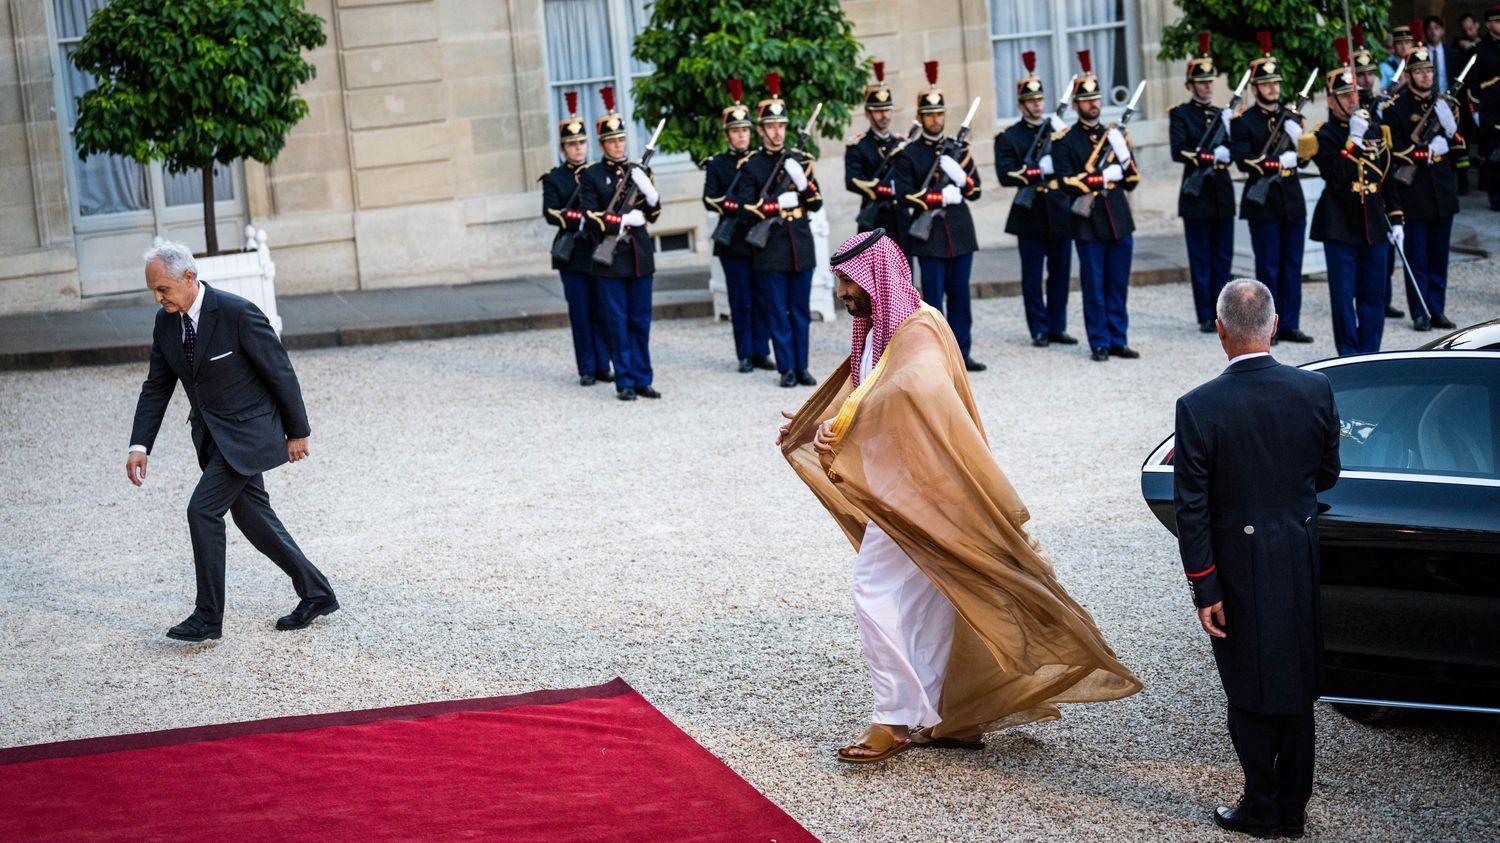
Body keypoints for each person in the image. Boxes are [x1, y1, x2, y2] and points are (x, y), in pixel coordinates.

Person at [777, 229, 1141, 764]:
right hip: (899, 488)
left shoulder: (918, 329)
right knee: (933, 600)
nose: (842, 294)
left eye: (847, 282)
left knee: (873, 591)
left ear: (875, 277)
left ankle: (892, 719)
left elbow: (916, 390)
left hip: (923, 492)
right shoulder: (881, 328)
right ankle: (947, 717)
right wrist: (827, 417)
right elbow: (864, 388)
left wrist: (847, 420)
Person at [1172, 278, 1340, 840]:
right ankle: (1291, 809)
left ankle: (1261, 806)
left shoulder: (1198, 407)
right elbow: (1328, 474)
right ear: (1273, 324)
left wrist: (1205, 588)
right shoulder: (1314, 391)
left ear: (1220, 331)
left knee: (1247, 689)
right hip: (1296, 555)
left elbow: (1190, 510)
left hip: (1237, 568)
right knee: (1295, 686)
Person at [127, 242, 337, 642]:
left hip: (251, 434)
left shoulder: (237, 313)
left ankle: (208, 617)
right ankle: (317, 592)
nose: (158, 298)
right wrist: (139, 445)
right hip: (211, 438)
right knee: (253, 518)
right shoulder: (165, 323)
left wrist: (298, 431)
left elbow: (281, 373)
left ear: (189, 278)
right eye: (153, 291)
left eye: (163, 289)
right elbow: (157, 387)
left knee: (202, 511)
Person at [1303, 50, 1402, 356]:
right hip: (1340, 225)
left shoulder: (1374, 129)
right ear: (1330, 101)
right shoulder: (1324, 135)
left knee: (1374, 295)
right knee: (1344, 298)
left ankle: (1370, 353)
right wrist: (1352, 142)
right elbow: (1336, 173)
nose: (1351, 100)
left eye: (1354, 94)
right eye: (1343, 95)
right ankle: (1348, 355)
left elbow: (1388, 175)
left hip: (1373, 222)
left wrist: (1396, 218)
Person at [893, 60, 987, 371]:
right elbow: (904, 194)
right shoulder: (909, 154)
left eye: (940, 113)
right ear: (920, 118)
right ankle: (935, 357)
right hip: (929, 235)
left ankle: (961, 353)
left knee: (960, 296)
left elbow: (975, 191)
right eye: (930, 114)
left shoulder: (958, 151)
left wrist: (960, 178)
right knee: (932, 302)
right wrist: (936, 196)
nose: (936, 119)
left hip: (959, 232)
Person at [733, 72, 824, 389]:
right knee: (778, 311)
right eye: (771, 126)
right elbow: (744, 209)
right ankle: (785, 367)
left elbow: (815, 202)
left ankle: (802, 367)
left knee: (800, 311)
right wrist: (775, 204)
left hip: (799, 243)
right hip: (770, 247)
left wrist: (802, 183)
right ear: (760, 130)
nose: (776, 131)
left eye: (781, 126)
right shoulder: (753, 165)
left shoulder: (800, 160)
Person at [1054, 49, 1141, 361]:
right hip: (1088, 221)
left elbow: (1132, 178)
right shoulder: (1065, 140)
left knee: (1118, 284)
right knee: (1094, 286)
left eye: (1097, 99)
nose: (1093, 104)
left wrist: (1123, 165)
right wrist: (1103, 177)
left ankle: (1119, 338)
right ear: (1077, 105)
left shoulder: (1115, 136)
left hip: (1118, 217)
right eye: (1087, 100)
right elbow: (1065, 182)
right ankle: (1100, 342)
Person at [1231, 31, 1314, 345]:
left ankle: (1290, 323)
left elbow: (1304, 161)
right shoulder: (1244, 122)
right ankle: (1267, 328)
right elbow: (1242, 160)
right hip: (1263, 203)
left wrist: (1298, 144)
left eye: (1276, 83)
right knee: (1268, 267)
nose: (1273, 88)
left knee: (1293, 265)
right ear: (1254, 89)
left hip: (1291, 200)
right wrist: (1274, 162)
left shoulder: (1291, 118)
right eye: (1266, 84)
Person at [581, 86, 662, 402]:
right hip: (610, 260)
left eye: (621, 139)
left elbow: (653, 214)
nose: (618, 145)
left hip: (639, 257)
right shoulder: (591, 176)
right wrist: (623, 221)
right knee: (617, 322)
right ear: (602, 144)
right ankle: (625, 380)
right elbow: (590, 217)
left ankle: (643, 378)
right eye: (612, 140)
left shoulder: (640, 171)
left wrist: (651, 193)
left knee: (640, 321)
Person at [1382, 30, 1464, 332]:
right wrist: (1426, 151)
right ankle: (1419, 311)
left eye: (1429, 70)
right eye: (1419, 71)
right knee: (1417, 257)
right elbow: (1394, 151)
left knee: (1439, 257)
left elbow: (1460, 147)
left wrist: (1451, 130)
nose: (1426, 76)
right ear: (1410, 75)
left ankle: (1437, 309)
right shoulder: (1396, 108)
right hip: (1413, 191)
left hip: (1441, 190)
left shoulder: (1444, 104)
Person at [994, 49, 1076, 347]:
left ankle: (1057, 325)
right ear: (1020, 104)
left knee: (1060, 273)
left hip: (1058, 210)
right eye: (1031, 100)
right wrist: (1033, 172)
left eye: (1040, 99)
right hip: (1029, 214)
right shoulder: (1010, 136)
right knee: (1032, 277)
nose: (1037, 105)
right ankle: (1038, 328)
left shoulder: (1057, 132)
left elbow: (1071, 161)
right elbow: (1005, 174)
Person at [542, 92, 613, 387]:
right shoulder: (555, 178)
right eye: (571, 144)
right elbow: (550, 213)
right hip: (572, 254)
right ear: (563, 148)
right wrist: (579, 219)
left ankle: (602, 364)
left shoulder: (598, 173)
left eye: (581, 143)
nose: (578, 149)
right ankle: (586, 367)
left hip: (598, 251)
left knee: (603, 311)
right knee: (581, 313)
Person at [704, 78, 774, 374]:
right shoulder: (717, 164)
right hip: (733, 241)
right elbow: (711, 199)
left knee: (762, 297)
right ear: (727, 135)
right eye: (735, 131)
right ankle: (745, 353)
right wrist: (743, 207)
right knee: (740, 299)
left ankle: (761, 350)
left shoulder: (761, 161)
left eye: (745, 130)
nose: (741, 135)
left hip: (760, 239)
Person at [1169, 33, 1237, 334]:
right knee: (1201, 260)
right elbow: (1179, 150)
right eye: (1202, 82)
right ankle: (1206, 315)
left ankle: (1224, 313)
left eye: (1210, 81)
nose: (1208, 86)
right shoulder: (1181, 115)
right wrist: (1210, 156)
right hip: (1196, 195)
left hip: (1221, 194)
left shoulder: (1225, 115)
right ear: (1190, 85)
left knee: (1223, 258)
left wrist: (1229, 140)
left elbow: (1239, 150)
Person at [845, 61, 912, 253]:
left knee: (903, 280)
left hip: (901, 221)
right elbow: (852, 180)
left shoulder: (901, 144)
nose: (884, 115)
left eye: (887, 109)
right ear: (867, 113)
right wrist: (887, 188)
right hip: (873, 222)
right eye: (878, 111)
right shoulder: (859, 146)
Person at [1469, 7, 1500, 211]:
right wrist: (1477, 111)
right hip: (1492, 109)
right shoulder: (1479, 50)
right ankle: (1496, 196)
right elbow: (1472, 85)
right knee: (1495, 156)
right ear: (1488, 24)